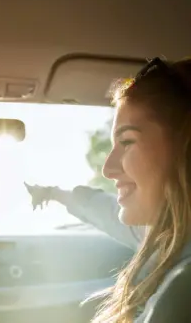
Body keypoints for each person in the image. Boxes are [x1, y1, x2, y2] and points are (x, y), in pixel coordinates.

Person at [25, 57, 191, 322]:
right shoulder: (167, 236)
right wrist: (54, 193)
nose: (108, 169)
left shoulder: (181, 292)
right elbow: (105, 210)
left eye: (126, 141)